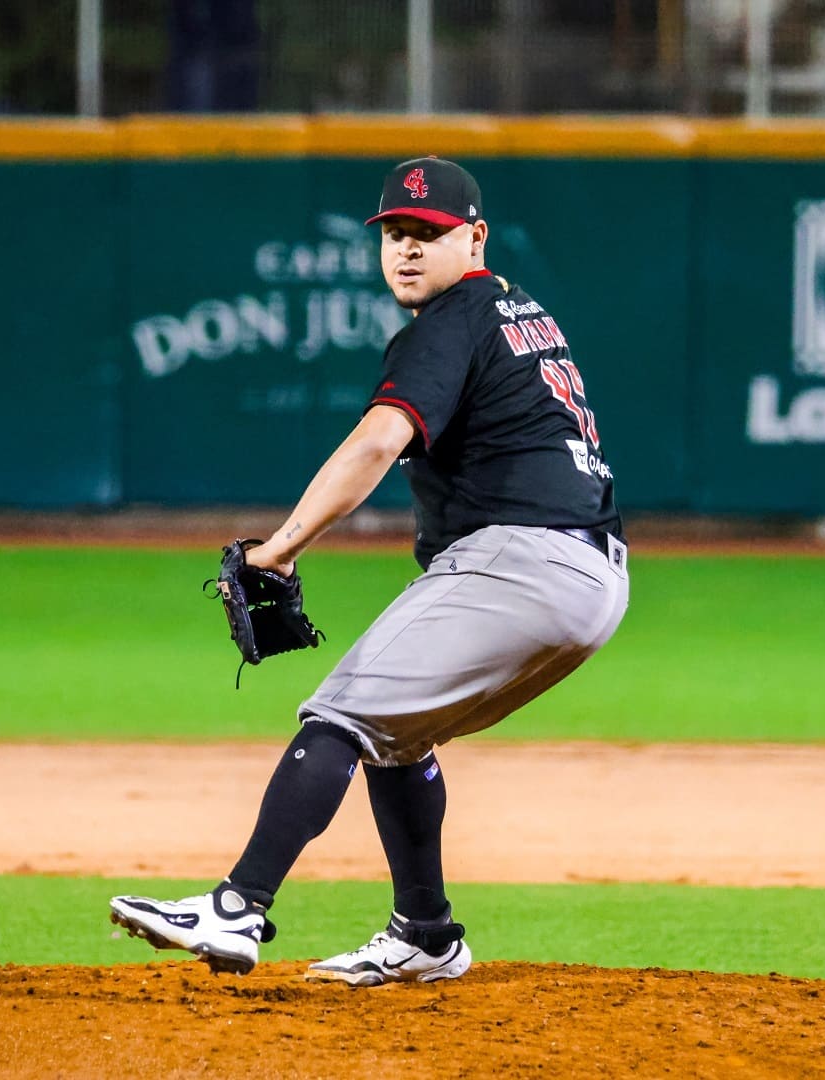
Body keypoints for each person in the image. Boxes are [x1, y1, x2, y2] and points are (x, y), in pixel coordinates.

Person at [110, 156, 628, 986]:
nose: (408, 249)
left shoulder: (452, 319)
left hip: (522, 558)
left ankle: (237, 906)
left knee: (340, 714)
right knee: (398, 735)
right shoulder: (518, 313)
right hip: (589, 575)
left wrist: (280, 546)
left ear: (476, 238)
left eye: (429, 232)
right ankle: (425, 931)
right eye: (395, 233)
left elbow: (379, 440)